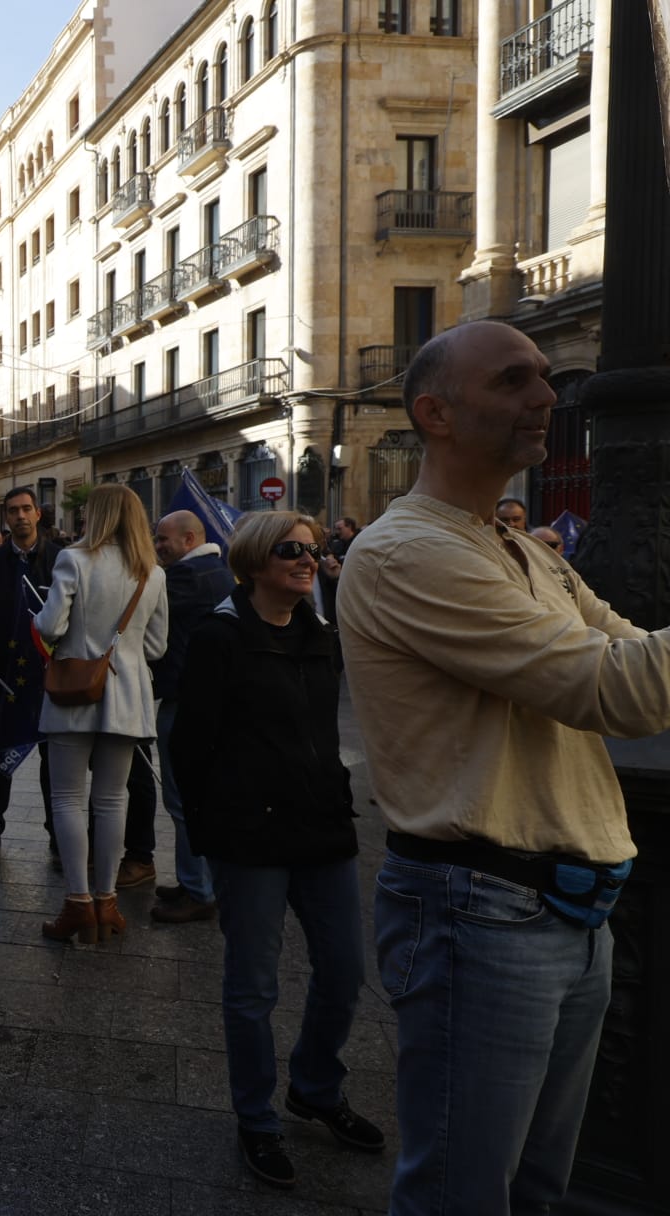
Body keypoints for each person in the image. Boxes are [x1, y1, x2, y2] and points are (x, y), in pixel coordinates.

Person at [340, 320, 670, 1214]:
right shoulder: (409, 552)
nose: (547, 398)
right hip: (482, 915)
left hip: (564, 909)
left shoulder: (525, 551)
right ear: (435, 413)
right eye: (514, 381)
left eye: (543, 378)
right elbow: (621, 687)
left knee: (534, 1188)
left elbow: (635, 662)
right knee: (464, 1194)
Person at [171, 511, 383, 1189]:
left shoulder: (321, 637)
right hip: (249, 838)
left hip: (323, 829)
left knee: (346, 971)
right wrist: (211, 836)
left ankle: (316, 1086)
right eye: (291, 549)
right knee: (253, 988)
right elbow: (189, 746)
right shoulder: (219, 638)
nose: (306, 558)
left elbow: (324, 732)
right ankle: (256, 1118)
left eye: (313, 550)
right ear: (257, 559)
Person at [34, 485, 167, 946]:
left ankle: (77, 904)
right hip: (128, 694)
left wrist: (41, 622)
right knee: (114, 800)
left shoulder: (74, 559)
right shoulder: (153, 572)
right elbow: (156, 646)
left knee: (68, 797)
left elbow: (50, 627)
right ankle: (108, 903)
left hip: (74, 691)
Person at [145, 510, 234, 924]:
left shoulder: (186, 577)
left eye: (164, 540)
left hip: (185, 700)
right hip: (204, 698)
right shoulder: (216, 570)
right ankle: (194, 880)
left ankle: (198, 891)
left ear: (190, 538)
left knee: (181, 799)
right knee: (193, 797)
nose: (158, 546)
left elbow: (145, 614)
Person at [0, 486, 64, 860]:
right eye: (13, 511)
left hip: (50, 677)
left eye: (26, 509)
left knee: (53, 761)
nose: (20, 516)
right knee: (0, 753)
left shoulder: (61, 560)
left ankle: (59, 833)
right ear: (5, 518)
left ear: (38, 513)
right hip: (6, 677)